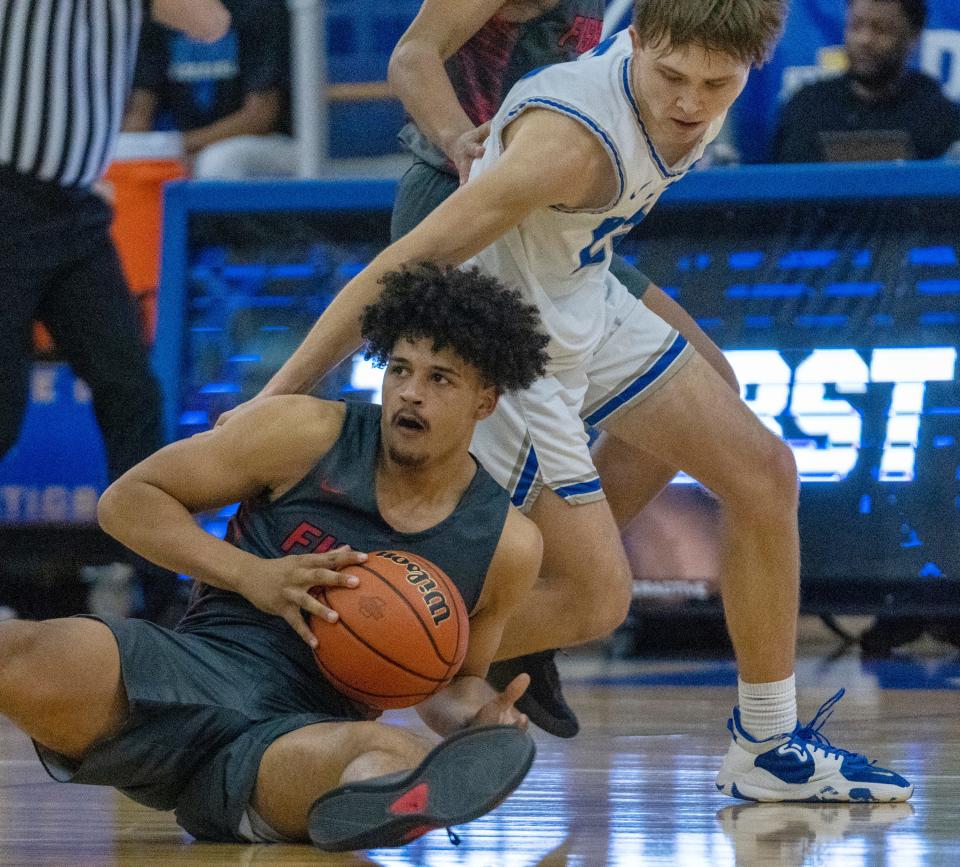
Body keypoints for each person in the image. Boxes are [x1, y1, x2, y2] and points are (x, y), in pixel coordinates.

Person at [224, 0, 914, 802]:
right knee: (594, 599)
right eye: (672, 78)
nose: (690, 103)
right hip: (504, 329)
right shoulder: (570, 143)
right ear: (640, 41)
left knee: (763, 470)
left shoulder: (678, 47)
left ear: (755, 66)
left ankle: (766, 745)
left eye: (716, 85)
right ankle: (339, 658)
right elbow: (402, 265)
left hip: (580, 285)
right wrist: (276, 395)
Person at [0, 264, 547, 849]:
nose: (411, 392)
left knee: (392, 758)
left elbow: (449, 683)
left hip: (299, 734)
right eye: (402, 370)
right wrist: (250, 574)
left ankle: (369, 803)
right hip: (192, 665)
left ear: (485, 402)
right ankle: (327, 807)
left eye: (441, 379)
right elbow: (126, 502)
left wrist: (477, 724)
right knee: (16, 651)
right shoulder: (304, 433)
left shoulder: (507, 545)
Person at [387, 0, 743, 737]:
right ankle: (404, 653)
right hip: (471, 205)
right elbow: (412, 55)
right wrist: (461, 141)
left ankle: (535, 609)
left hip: (566, 228)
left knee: (712, 382)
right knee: (484, 469)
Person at [0, 1, 232, 622]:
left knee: (131, 391)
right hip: (7, 200)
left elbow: (210, 22)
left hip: (76, 209)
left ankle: (158, 592)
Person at [772, 0, 960, 162]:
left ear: (913, 37)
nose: (865, 39)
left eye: (881, 29)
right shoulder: (807, 108)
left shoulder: (936, 115)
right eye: (856, 26)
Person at [123, 0, 293, 179]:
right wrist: (130, 151)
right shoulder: (161, 12)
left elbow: (260, 117)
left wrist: (176, 147)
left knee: (218, 162)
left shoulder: (261, 8)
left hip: (269, 144)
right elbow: (139, 112)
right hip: (184, 146)